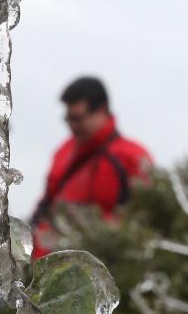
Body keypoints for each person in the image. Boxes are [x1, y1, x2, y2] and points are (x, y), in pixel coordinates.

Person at [32, 76, 151, 257]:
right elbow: (45, 207)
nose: (72, 126)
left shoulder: (131, 157)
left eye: (78, 118)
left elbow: (145, 219)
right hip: (51, 262)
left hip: (106, 264)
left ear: (101, 110)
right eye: (68, 119)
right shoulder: (64, 152)